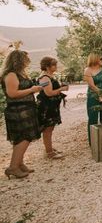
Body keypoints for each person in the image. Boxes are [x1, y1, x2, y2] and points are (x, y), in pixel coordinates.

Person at [1, 50, 42, 179]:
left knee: (23, 138)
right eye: (25, 59)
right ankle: (13, 167)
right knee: (24, 137)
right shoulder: (11, 75)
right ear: (18, 60)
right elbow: (12, 94)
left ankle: (19, 163)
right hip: (18, 111)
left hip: (26, 109)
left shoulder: (19, 74)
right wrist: (32, 89)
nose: (27, 62)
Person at [37, 56, 69, 159]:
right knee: (47, 129)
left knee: (50, 128)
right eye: (53, 65)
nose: (55, 66)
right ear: (47, 66)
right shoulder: (44, 78)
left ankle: (49, 148)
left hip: (52, 106)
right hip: (47, 107)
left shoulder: (50, 76)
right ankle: (49, 152)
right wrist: (61, 89)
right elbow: (49, 93)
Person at [84, 53, 102, 143]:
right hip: (93, 96)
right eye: (101, 58)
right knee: (93, 119)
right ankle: (93, 142)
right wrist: (101, 93)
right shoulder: (87, 70)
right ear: (95, 59)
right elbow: (92, 85)